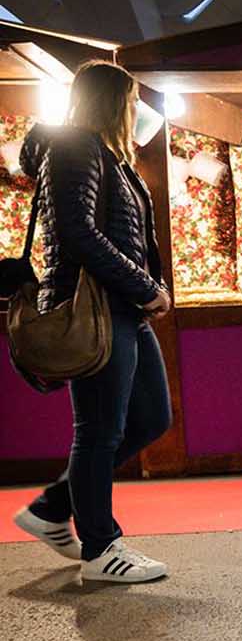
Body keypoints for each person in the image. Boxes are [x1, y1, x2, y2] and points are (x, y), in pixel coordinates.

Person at [9, 61, 174, 584]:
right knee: (99, 430)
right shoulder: (77, 147)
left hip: (122, 306)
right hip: (97, 306)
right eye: (130, 101)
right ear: (111, 101)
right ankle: (101, 549)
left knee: (151, 418)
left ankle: (56, 506)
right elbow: (79, 234)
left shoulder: (107, 154)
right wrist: (146, 288)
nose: (136, 112)